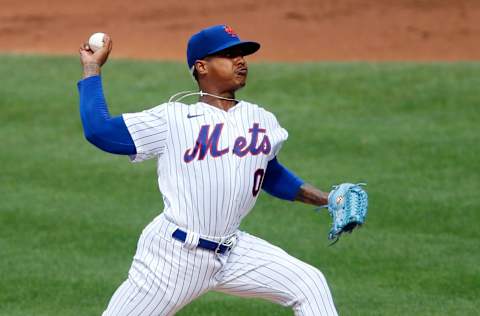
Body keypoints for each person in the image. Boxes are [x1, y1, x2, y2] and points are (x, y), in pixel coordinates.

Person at [78, 24, 338, 316]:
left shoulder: (261, 119)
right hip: (173, 258)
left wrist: (327, 199)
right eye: (228, 55)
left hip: (234, 251)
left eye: (242, 54)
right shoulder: (173, 119)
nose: (240, 61)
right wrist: (92, 70)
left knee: (309, 283)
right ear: (201, 66)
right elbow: (100, 131)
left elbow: (269, 172)